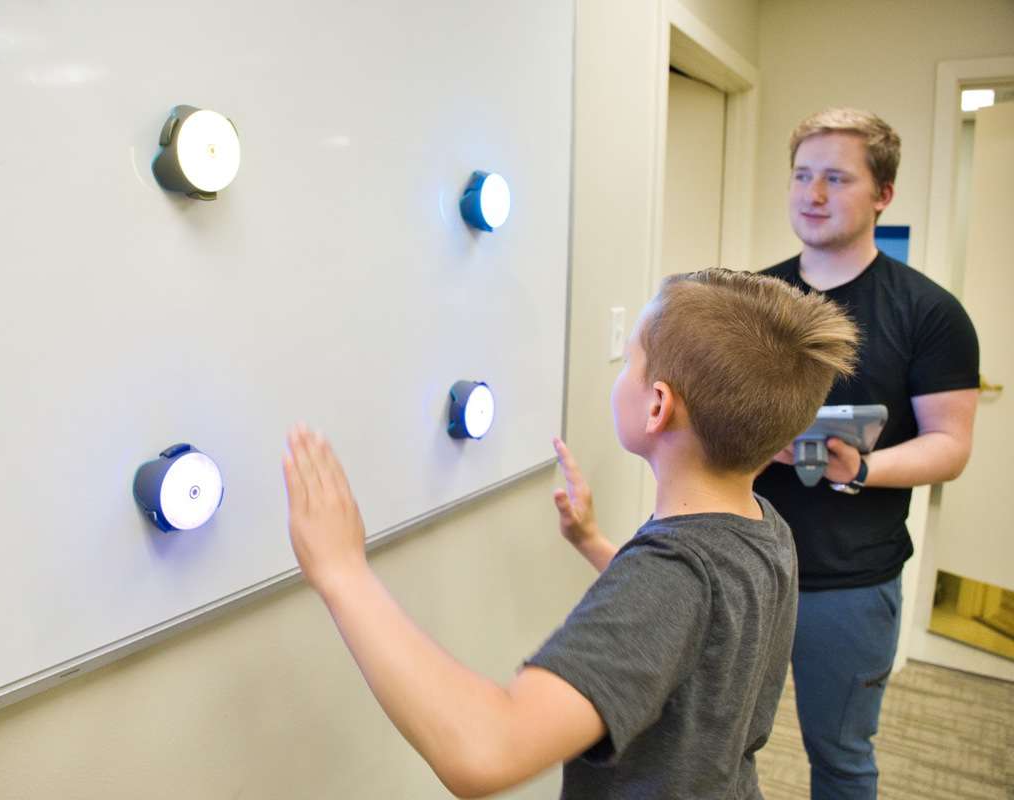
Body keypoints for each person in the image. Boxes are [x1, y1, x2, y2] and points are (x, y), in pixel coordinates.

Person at [283, 268, 859, 798]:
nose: (620, 375)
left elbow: (487, 749)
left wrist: (342, 572)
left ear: (658, 405)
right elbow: (697, 627)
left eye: (629, 362)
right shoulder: (763, 527)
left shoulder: (671, 576)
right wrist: (594, 543)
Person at [754, 107, 981, 799]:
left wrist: (865, 468)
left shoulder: (929, 313)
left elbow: (950, 446)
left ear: (883, 194)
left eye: (835, 178)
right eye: (801, 176)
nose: (812, 195)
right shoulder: (750, 300)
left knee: (842, 758)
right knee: (720, 746)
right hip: (748, 565)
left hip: (849, 584)